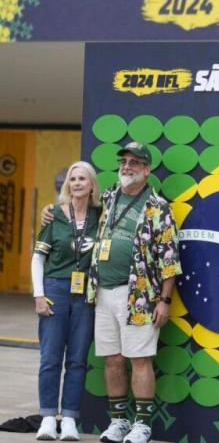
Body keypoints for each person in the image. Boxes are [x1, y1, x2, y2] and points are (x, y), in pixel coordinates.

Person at [42, 141, 181, 443]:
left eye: (134, 162)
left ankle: (141, 424)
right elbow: (74, 210)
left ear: (147, 169)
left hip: (139, 295)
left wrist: (165, 300)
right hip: (101, 293)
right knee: (113, 359)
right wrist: (50, 211)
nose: (127, 167)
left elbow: (169, 258)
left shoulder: (158, 206)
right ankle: (118, 421)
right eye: (124, 162)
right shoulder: (106, 198)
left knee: (140, 359)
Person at [33, 161, 101, 441]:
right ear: (66, 185)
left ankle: (70, 418)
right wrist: (38, 295)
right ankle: (48, 417)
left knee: (77, 360)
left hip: (85, 293)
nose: (76, 183)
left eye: (82, 178)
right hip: (55, 288)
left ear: (91, 184)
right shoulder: (54, 216)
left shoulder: (102, 216)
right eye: (72, 179)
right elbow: (38, 258)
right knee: (50, 357)